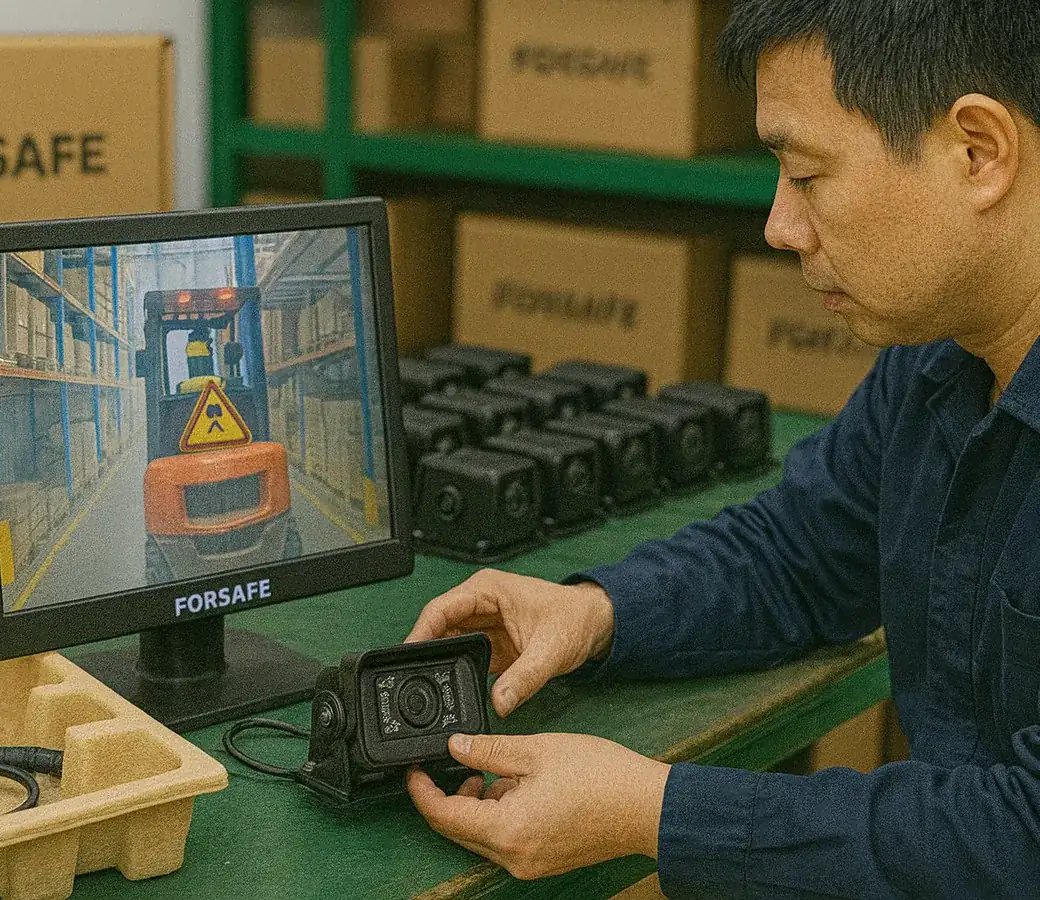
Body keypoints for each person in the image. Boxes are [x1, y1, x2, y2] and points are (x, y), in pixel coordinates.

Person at [403, 1, 1040, 896]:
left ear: (978, 153)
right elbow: (801, 556)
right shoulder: (943, 358)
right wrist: (593, 614)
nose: (779, 226)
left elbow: (1024, 836)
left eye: (809, 176)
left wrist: (653, 811)